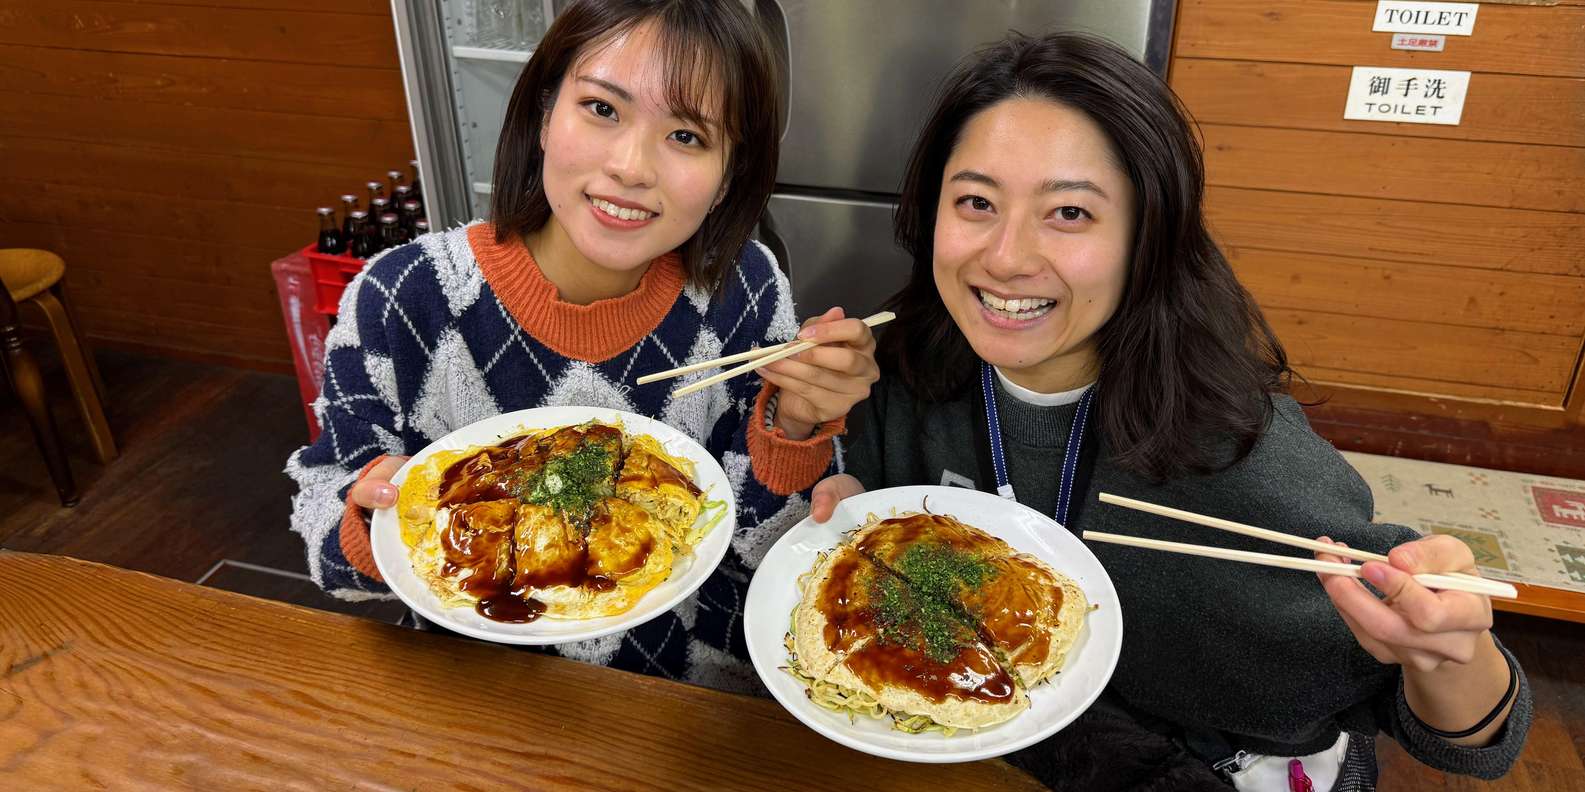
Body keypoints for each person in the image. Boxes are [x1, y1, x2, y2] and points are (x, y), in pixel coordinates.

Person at [808, 32, 1529, 791]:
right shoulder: (907, 376)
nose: (1006, 256)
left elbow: (1472, 742)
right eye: (976, 203)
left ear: (1147, 237)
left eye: (1069, 214)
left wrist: (1447, 652)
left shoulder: (1241, 455)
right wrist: (850, 503)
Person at [286, 0, 878, 693]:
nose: (630, 166)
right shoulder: (403, 297)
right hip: (484, 693)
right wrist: (367, 514)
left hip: (695, 701)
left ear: (729, 173)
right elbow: (330, 544)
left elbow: (762, 549)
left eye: (686, 136)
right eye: (602, 108)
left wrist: (796, 427)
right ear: (543, 112)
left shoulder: (743, 288)